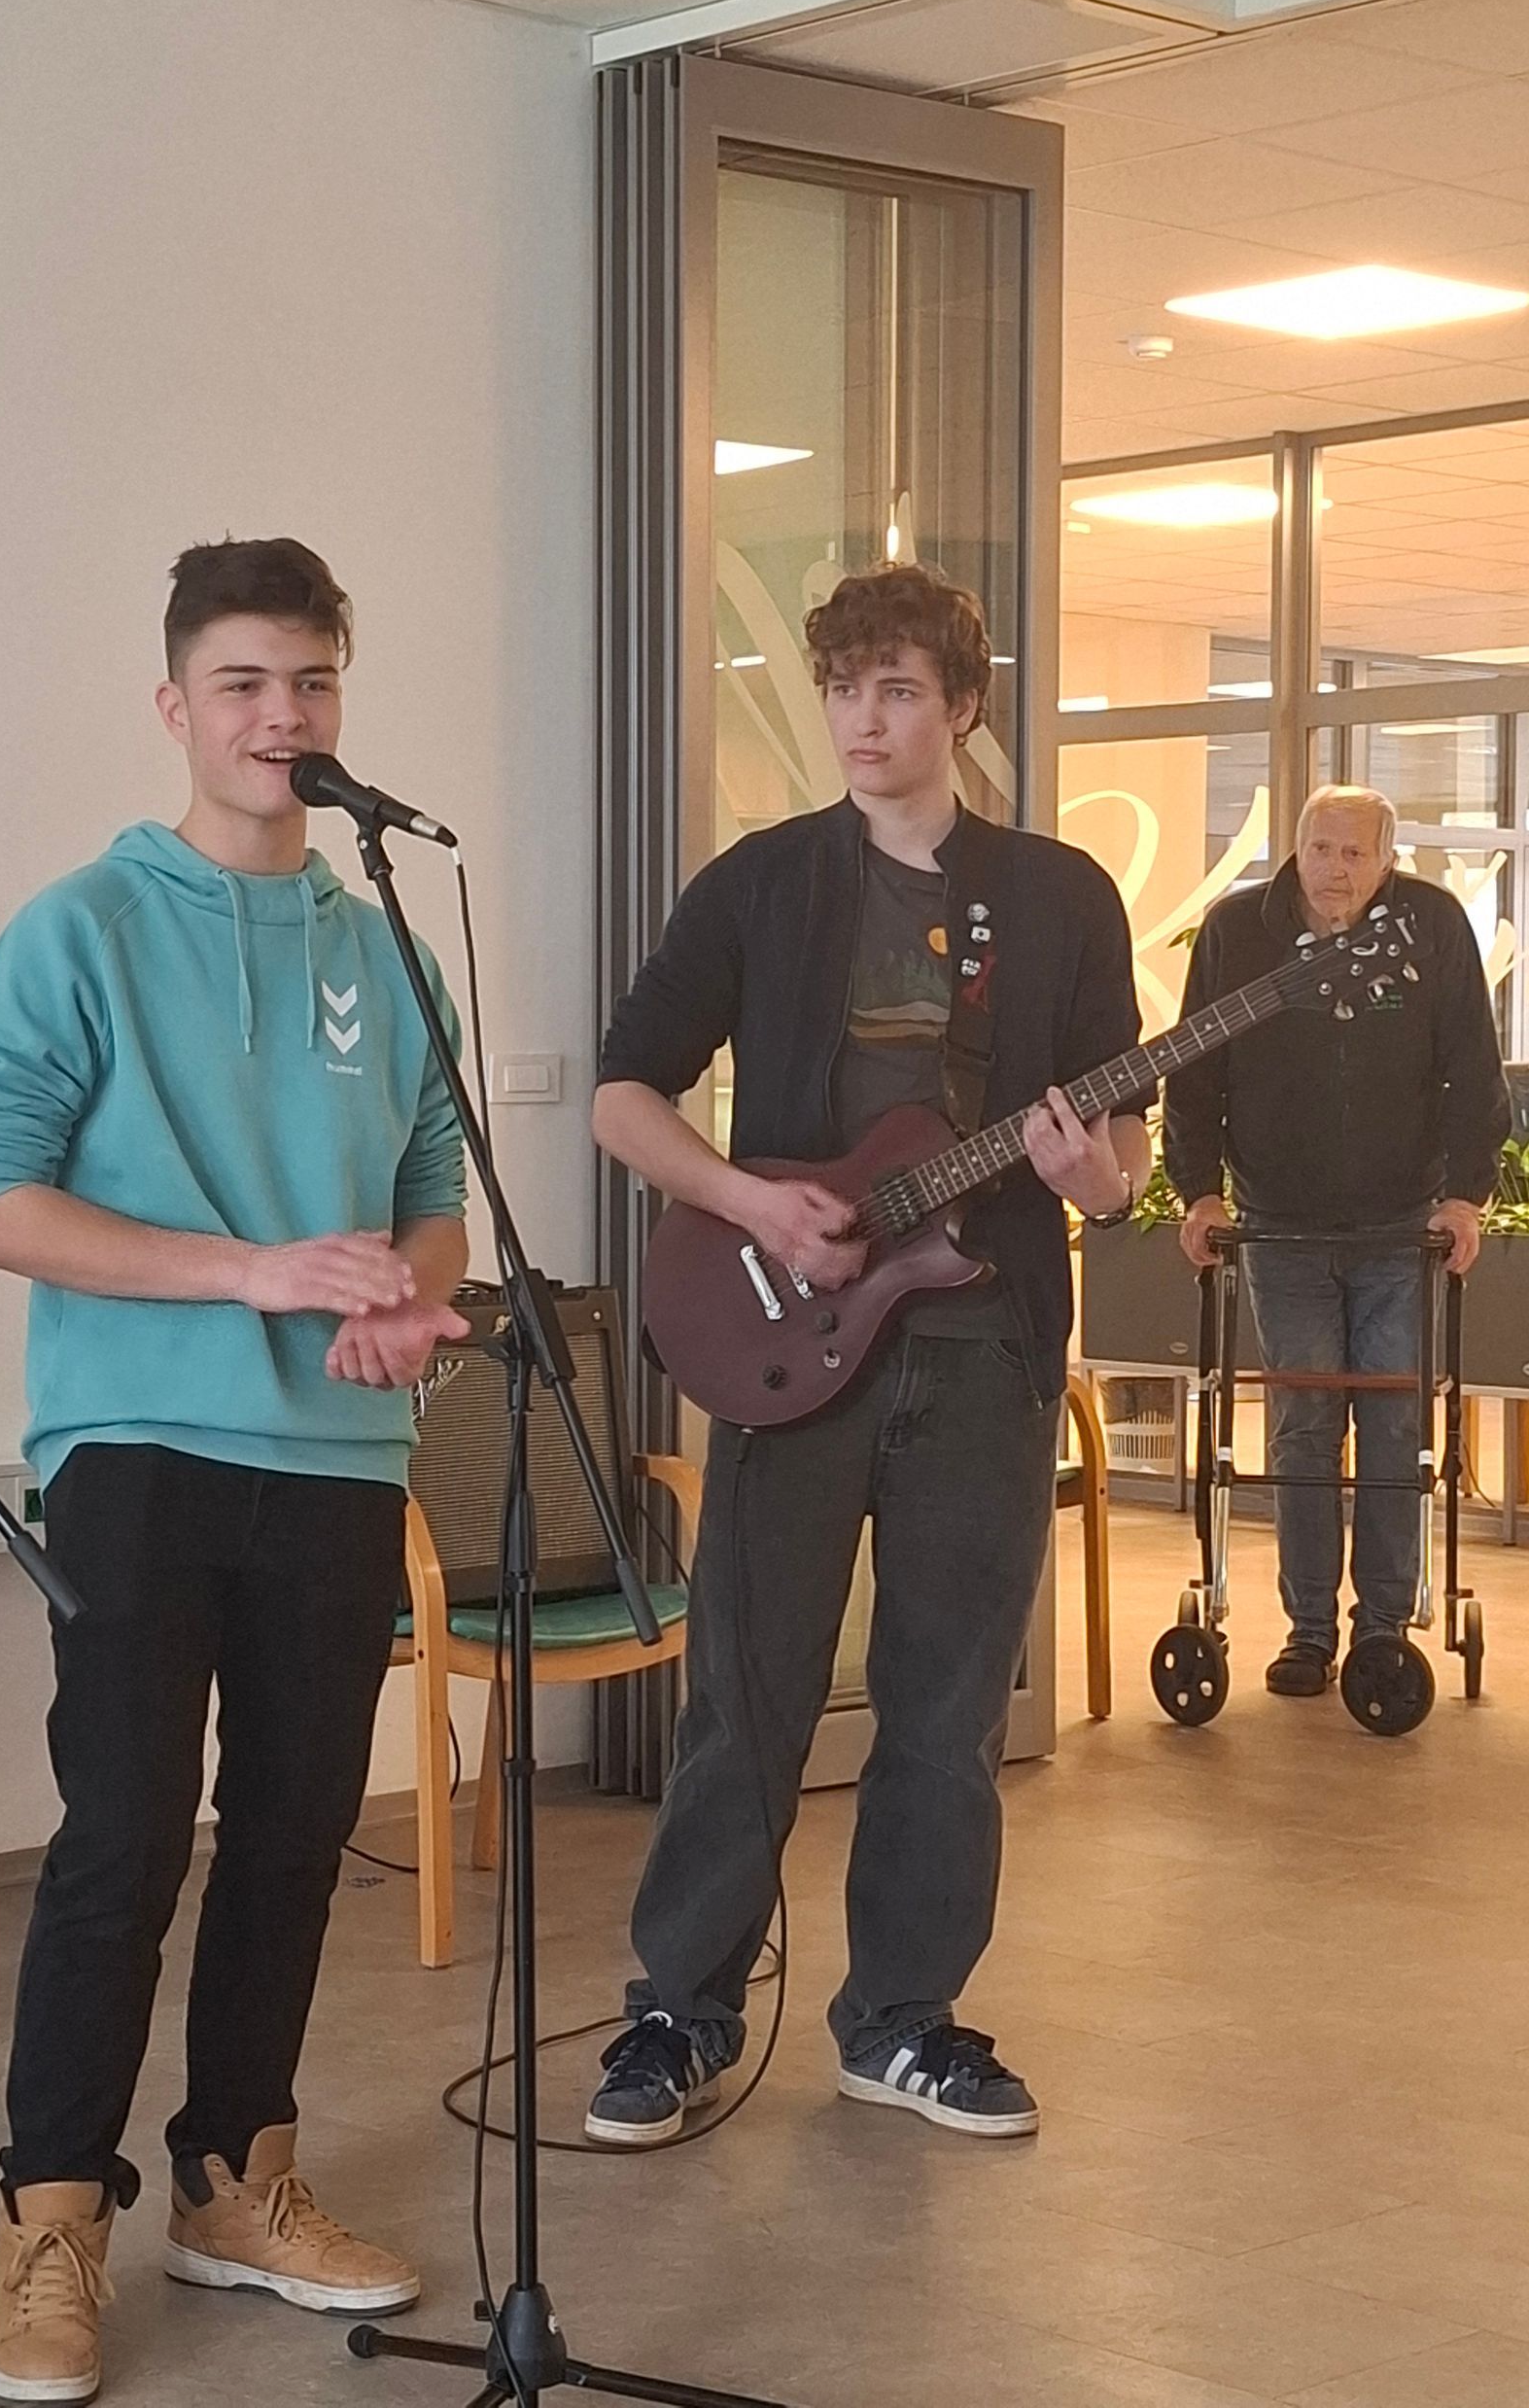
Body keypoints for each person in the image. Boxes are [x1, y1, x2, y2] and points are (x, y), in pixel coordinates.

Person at [0, 539, 469, 2407]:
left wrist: (410, 1301)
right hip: (138, 1449)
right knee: (126, 1839)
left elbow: (430, 1189)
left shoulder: (382, 943)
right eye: (243, 682)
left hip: (338, 1457)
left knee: (301, 1832)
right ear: (175, 705)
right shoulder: (80, 927)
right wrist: (251, 1272)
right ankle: (48, 2218)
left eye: (312, 681)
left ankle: (236, 2180)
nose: (282, 716)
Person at [584, 563, 1151, 2148]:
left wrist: (1091, 1181)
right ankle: (680, 2011)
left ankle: (902, 2020)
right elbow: (625, 1094)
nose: (861, 719)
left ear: (962, 709)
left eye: (897, 690)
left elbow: (1118, 1161)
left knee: (946, 1706)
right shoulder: (762, 886)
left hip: (985, 1352)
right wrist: (752, 1201)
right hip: (793, 1343)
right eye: (843, 688)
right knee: (745, 1696)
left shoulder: (1060, 898)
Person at [1165, 783, 1508, 1698]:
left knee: (1394, 1426)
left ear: (1388, 860)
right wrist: (1198, 1192)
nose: (1335, 869)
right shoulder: (1238, 932)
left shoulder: (1431, 927)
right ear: (1298, 847)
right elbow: (1194, 1073)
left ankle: (1383, 1629)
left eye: (1356, 853)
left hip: (1402, 1225)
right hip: (1277, 1222)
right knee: (1304, 1426)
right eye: (1322, 848)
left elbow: (1471, 1068)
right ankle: (1308, 1630)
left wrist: (1465, 1198)